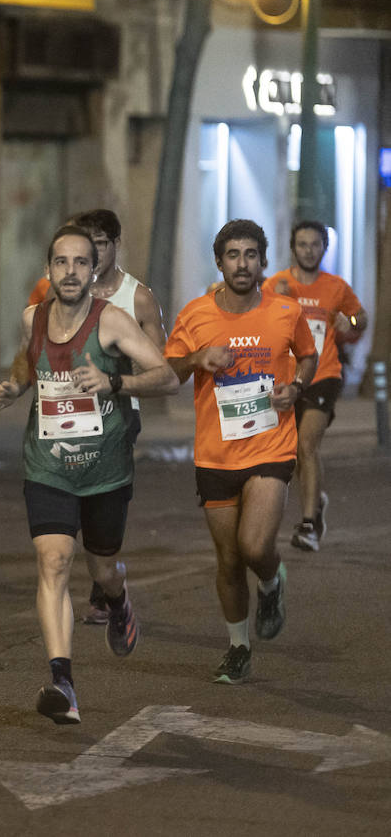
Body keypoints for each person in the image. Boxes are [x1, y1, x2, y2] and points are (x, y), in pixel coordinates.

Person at [0, 225, 178, 724]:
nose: (69, 271)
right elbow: (27, 366)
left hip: (105, 471)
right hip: (47, 464)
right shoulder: (32, 318)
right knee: (53, 561)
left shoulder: (112, 321)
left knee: (102, 569)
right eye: (60, 262)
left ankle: (118, 603)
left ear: (93, 270)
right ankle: (62, 682)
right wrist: (13, 388)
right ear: (48, 269)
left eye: (80, 262)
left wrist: (113, 380)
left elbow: (169, 377)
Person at [164, 219, 316, 685]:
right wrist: (195, 359)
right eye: (233, 255)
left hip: (270, 443)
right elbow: (170, 370)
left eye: (251, 254)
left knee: (254, 546)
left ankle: (272, 582)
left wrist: (296, 386)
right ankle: (237, 648)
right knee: (228, 560)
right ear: (219, 262)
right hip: (215, 454)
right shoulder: (195, 315)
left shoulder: (285, 311)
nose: (242, 264)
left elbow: (307, 356)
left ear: (263, 261)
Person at [66, 209, 168, 625]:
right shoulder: (65, 291)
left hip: (119, 413)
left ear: (115, 245)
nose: (94, 253)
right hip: (68, 412)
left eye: (102, 244)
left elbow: (158, 367)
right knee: (70, 497)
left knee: (103, 496)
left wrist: (115, 376)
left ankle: (101, 582)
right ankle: (96, 573)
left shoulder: (138, 297)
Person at [262, 221, 368, 552]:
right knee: (294, 453)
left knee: (307, 444)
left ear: (324, 248)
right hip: (286, 378)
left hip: (324, 375)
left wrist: (348, 322)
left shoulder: (336, 287)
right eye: (303, 244)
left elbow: (359, 320)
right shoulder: (275, 285)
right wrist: (272, 305)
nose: (309, 250)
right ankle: (316, 499)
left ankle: (307, 525)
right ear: (293, 247)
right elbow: (260, 325)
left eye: (315, 244)